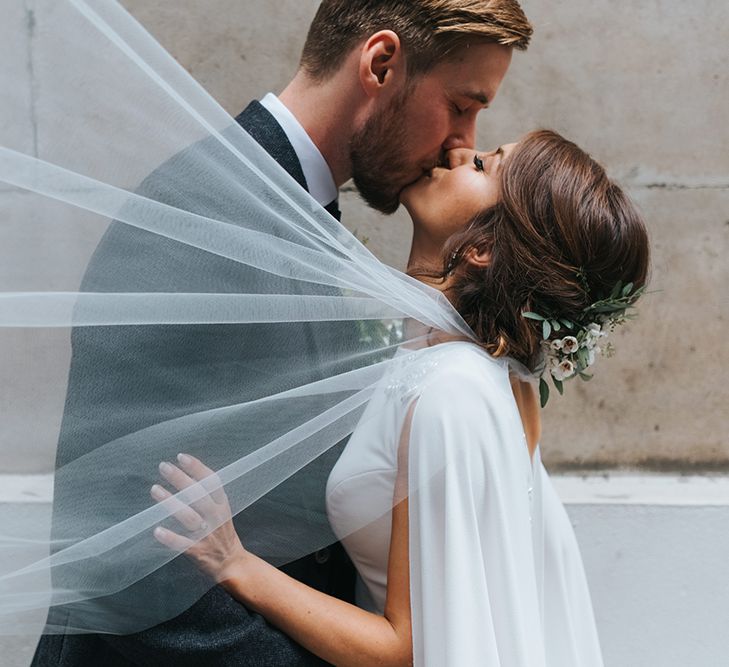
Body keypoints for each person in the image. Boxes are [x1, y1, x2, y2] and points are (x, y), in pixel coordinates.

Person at [26, 1, 533, 666]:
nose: (461, 141)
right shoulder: (201, 213)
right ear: (380, 63)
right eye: (462, 104)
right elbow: (133, 543)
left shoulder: (297, 209)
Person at [150, 130, 651, 666]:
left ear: (483, 249)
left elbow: (405, 648)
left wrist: (234, 563)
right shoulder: (496, 374)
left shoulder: (450, 393)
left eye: (482, 165)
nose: (459, 149)